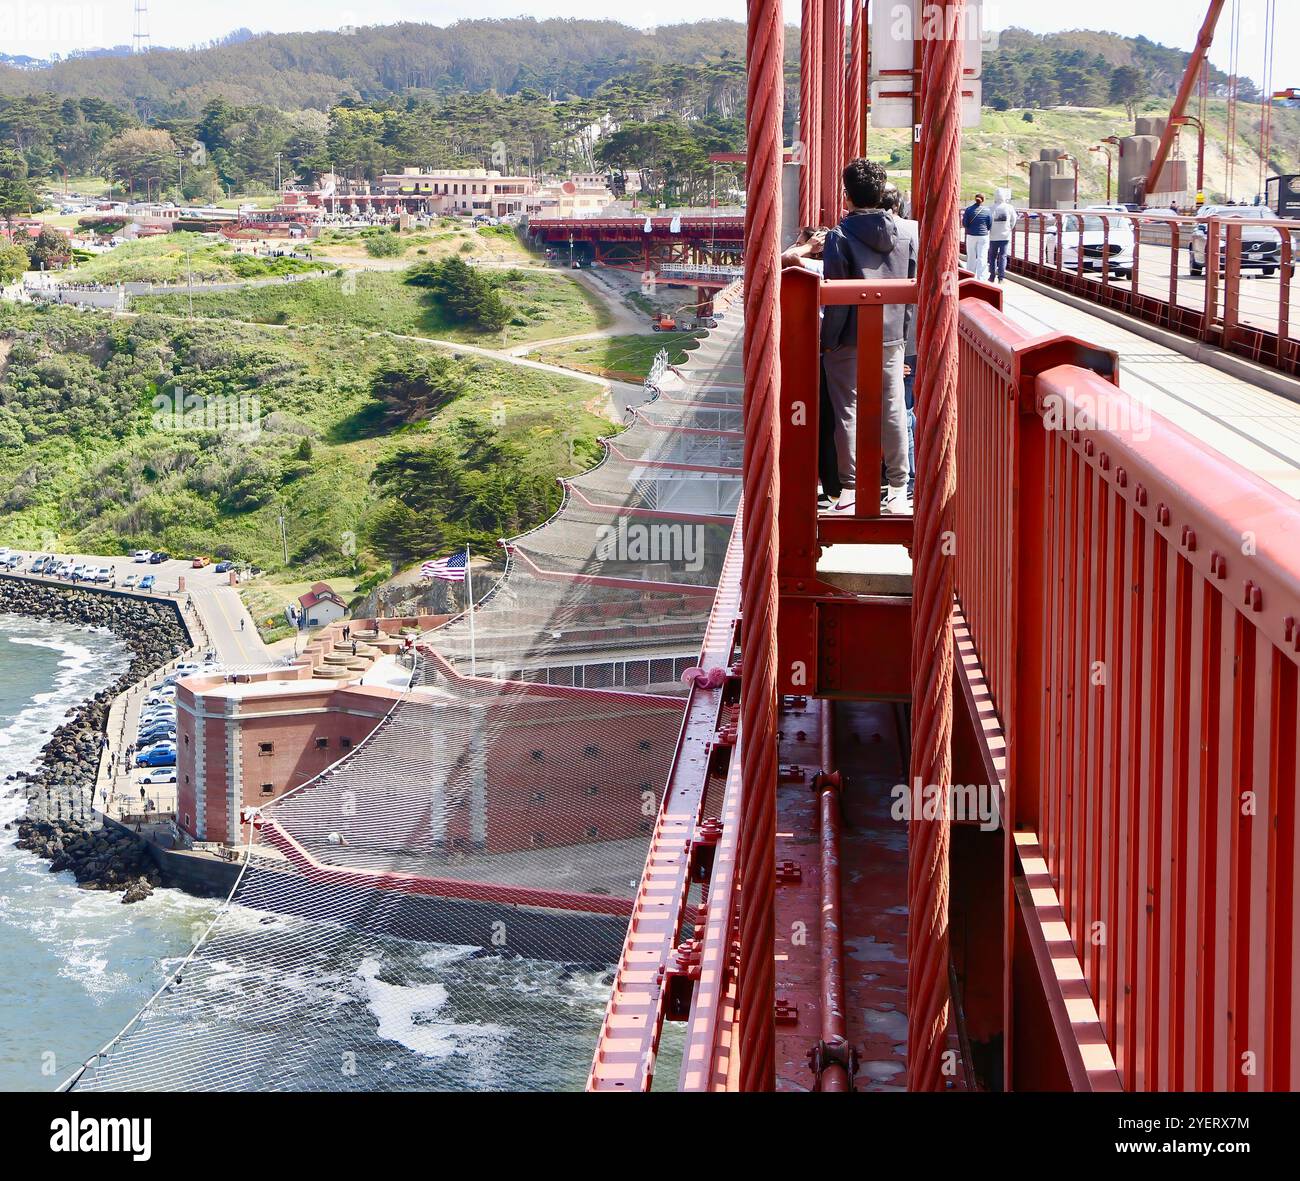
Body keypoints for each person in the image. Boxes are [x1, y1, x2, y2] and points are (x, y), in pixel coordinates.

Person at [821, 159, 916, 516]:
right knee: (893, 408)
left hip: (848, 339)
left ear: (847, 197)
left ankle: (850, 492)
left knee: (848, 411)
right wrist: (903, 340)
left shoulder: (839, 236)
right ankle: (897, 491)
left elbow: (838, 300)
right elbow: (910, 297)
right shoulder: (906, 235)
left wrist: (827, 343)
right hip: (892, 338)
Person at [782, 227, 841, 511]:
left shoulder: (815, 268)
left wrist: (806, 248)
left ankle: (828, 488)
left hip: (812, 358)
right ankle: (832, 488)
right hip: (832, 354)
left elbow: (783, 259)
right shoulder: (837, 266)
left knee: (816, 427)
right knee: (828, 425)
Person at [987, 188, 1018, 283]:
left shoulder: (991, 208)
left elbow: (988, 221)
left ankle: (992, 276)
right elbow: (1014, 219)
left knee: (992, 256)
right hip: (1005, 235)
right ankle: (1001, 278)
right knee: (1003, 256)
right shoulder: (1009, 207)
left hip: (993, 236)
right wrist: (1010, 228)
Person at [962, 192, 992, 281]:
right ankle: (981, 278)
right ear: (983, 200)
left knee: (971, 256)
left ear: (975, 199)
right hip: (983, 236)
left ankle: (969, 277)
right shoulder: (987, 210)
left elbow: (965, 223)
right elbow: (989, 225)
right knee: (982, 257)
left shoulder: (968, 210)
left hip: (971, 235)